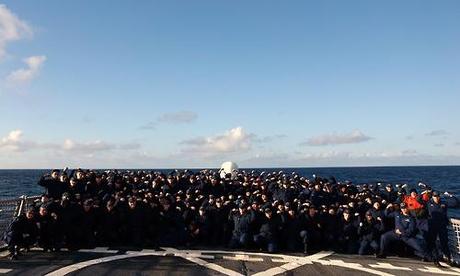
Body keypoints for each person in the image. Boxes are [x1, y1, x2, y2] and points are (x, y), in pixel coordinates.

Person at [426, 191, 452, 266]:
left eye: (437, 196)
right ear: (432, 197)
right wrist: (427, 191)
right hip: (432, 226)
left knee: (444, 242)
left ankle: (448, 258)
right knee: (433, 243)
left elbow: (455, 203)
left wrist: (450, 195)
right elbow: (419, 200)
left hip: (442, 226)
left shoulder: (443, 204)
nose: (436, 198)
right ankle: (435, 259)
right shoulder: (428, 203)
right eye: (434, 196)